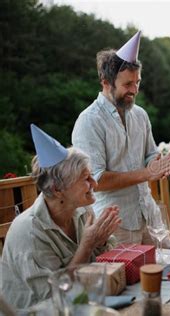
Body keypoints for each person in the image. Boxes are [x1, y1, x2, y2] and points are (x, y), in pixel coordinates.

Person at [72, 31, 170, 246]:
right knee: (126, 280)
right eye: (127, 84)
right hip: (114, 223)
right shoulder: (88, 122)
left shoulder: (140, 115)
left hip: (149, 214)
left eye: (137, 82)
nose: (134, 90)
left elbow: (150, 154)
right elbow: (96, 180)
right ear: (105, 82)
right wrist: (146, 173)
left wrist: (157, 164)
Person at [1, 125, 121, 309]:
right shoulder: (29, 233)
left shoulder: (83, 211)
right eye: (85, 178)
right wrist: (87, 245)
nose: (95, 184)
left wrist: (101, 242)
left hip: (80, 302)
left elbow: (105, 260)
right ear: (58, 190)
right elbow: (53, 295)